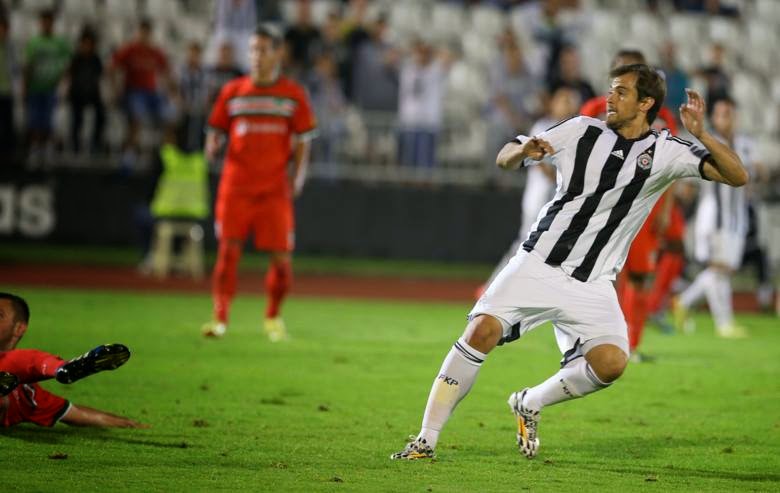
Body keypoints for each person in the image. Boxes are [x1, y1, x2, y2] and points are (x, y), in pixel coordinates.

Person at [391, 64, 748, 460]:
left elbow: (737, 176)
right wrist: (522, 151)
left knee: (612, 363)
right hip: (539, 261)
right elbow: (506, 155)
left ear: (646, 103)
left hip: (593, 283)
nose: (610, 99)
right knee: (481, 331)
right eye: (611, 90)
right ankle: (426, 439)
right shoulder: (581, 130)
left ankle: (530, 401)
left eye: (622, 92)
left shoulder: (666, 151)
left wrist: (700, 134)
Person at [202, 25, 317, 341]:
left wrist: (299, 176)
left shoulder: (293, 95)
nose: (256, 56)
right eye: (253, 49)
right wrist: (212, 146)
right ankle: (220, 317)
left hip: (274, 189)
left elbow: (303, 140)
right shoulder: (233, 91)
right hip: (235, 187)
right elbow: (215, 129)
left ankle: (273, 317)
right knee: (228, 254)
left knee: (282, 261)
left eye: (263, 49)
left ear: (278, 53)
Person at [580, 49, 683, 362]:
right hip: (599, 207)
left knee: (637, 276)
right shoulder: (594, 109)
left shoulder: (662, 120)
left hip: (641, 209)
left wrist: (665, 211)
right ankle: (589, 341)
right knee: (595, 275)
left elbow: (672, 169)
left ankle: (630, 343)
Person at [477, 84, 580, 297]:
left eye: (571, 101)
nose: (568, 105)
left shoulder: (574, 130)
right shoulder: (543, 125)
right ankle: (492, 287)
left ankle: (535, 291)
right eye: (563, 100)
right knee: (525, 241)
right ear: (553, 103)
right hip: (539, 195)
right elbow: (540, 162)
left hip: (556, 197)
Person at [0, 292, 146, 428]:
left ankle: (63, 369)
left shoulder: (28, 394)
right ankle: (62, 368)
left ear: (19, 328)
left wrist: (128, 423)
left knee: (8, 385)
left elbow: (77, 414)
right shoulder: (26, 390)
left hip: (11, 378)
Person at [673, 96, 752, 338]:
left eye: (729, 113)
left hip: (737, 218)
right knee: (719, 267)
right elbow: (690, 183)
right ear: (713, 118)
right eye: (720, 114)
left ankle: (684, 303)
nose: (724, 119)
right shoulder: (708, 144)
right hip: (714, 217)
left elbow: (751, 173)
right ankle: (723, 323)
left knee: (723, 270)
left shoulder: (745, 144)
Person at [22, 9, 71, 164]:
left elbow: (67, 65)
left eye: (49, 21)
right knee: (35, 120)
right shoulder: (34, 42)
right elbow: (27, 66)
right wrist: (25, 86)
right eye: (44, 21)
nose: (46, 24)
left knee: (49, 121)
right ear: (41, 23)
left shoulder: (60, 43)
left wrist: (63, 85)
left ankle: (47, 151)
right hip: (35, 88)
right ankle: (35, 150)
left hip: (52, 89)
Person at [65, 27, 105, 155]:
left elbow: (99, 78)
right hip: (77, 93)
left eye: (90, 44)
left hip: (92, 93)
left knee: (101, 115)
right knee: (77, 118)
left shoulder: (96, 59)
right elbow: (69, 76)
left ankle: (95, 143)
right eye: (85, 44)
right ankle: (75, 145)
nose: (87, 47)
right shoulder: (76, 58)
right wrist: (67, 91)